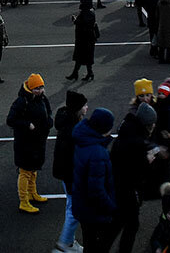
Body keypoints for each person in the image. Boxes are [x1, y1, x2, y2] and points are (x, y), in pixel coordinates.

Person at [111, 102, 159, 253]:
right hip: (127, 188)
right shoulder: (136, 141)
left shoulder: (128, 130)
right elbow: (137, 168)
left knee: (119, 222)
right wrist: (148, 160)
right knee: (131, 224)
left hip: (120, 185)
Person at [72, 108, 117, 253]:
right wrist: (111, 206)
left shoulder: (83, 140)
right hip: (95, 211)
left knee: (89, 242)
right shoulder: (98, 152)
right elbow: (96, 190)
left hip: (83, 206)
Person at [7, 73, 52, 214]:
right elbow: (11, 120)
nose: (40, 90)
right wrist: (27, 125)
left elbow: (48, 113)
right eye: (37, 88)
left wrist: (49, 122)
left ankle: (33, 193)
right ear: (30, 89)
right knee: (25, 171)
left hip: (38, 140)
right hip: (25, 142)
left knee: (33, 169)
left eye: (41, 87)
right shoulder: (21, 102)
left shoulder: (42, 99)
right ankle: (23, 201)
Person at [52, 91, 87, 253]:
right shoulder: (72, 129)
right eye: (84, 105)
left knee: (70, 206)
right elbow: (73, 155)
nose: (87, 107)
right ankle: (64, 244)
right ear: (78, 108)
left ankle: (70, 241)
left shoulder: (66, 122)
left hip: (65, 173)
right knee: (74, 210)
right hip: (70, 174)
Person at [67, 0, 100, 81]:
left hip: (84, 39)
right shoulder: (90, 12)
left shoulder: (85, 13)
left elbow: (81, 23)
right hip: (88, 39)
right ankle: (87, 73)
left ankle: (77, 73)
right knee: (86, 57)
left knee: (80, 57)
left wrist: (75, 20)